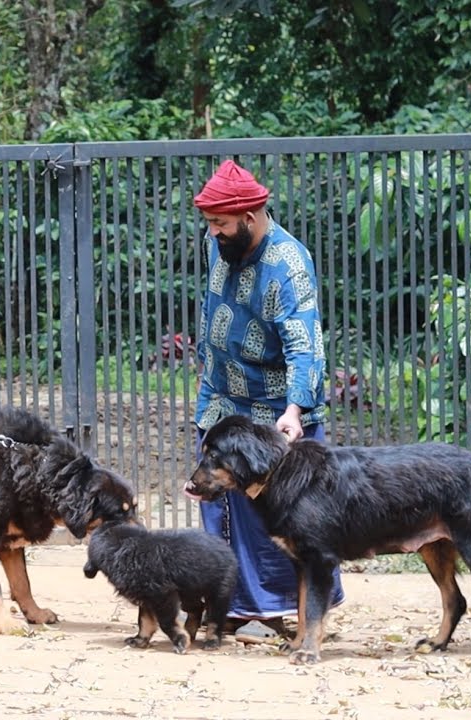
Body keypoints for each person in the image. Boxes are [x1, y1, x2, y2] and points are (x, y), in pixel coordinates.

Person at [188, 159, 344, 637]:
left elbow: (304, 343)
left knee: (281, 517)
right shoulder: (219, 245)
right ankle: (232, 607)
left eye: (220, 224)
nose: (212, 233)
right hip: (221, 396)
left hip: (273, 411)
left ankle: (281, 611)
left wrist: (295, 411)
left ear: (251, 218)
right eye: (209, 223)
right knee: (215, 500)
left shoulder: (289, 264)